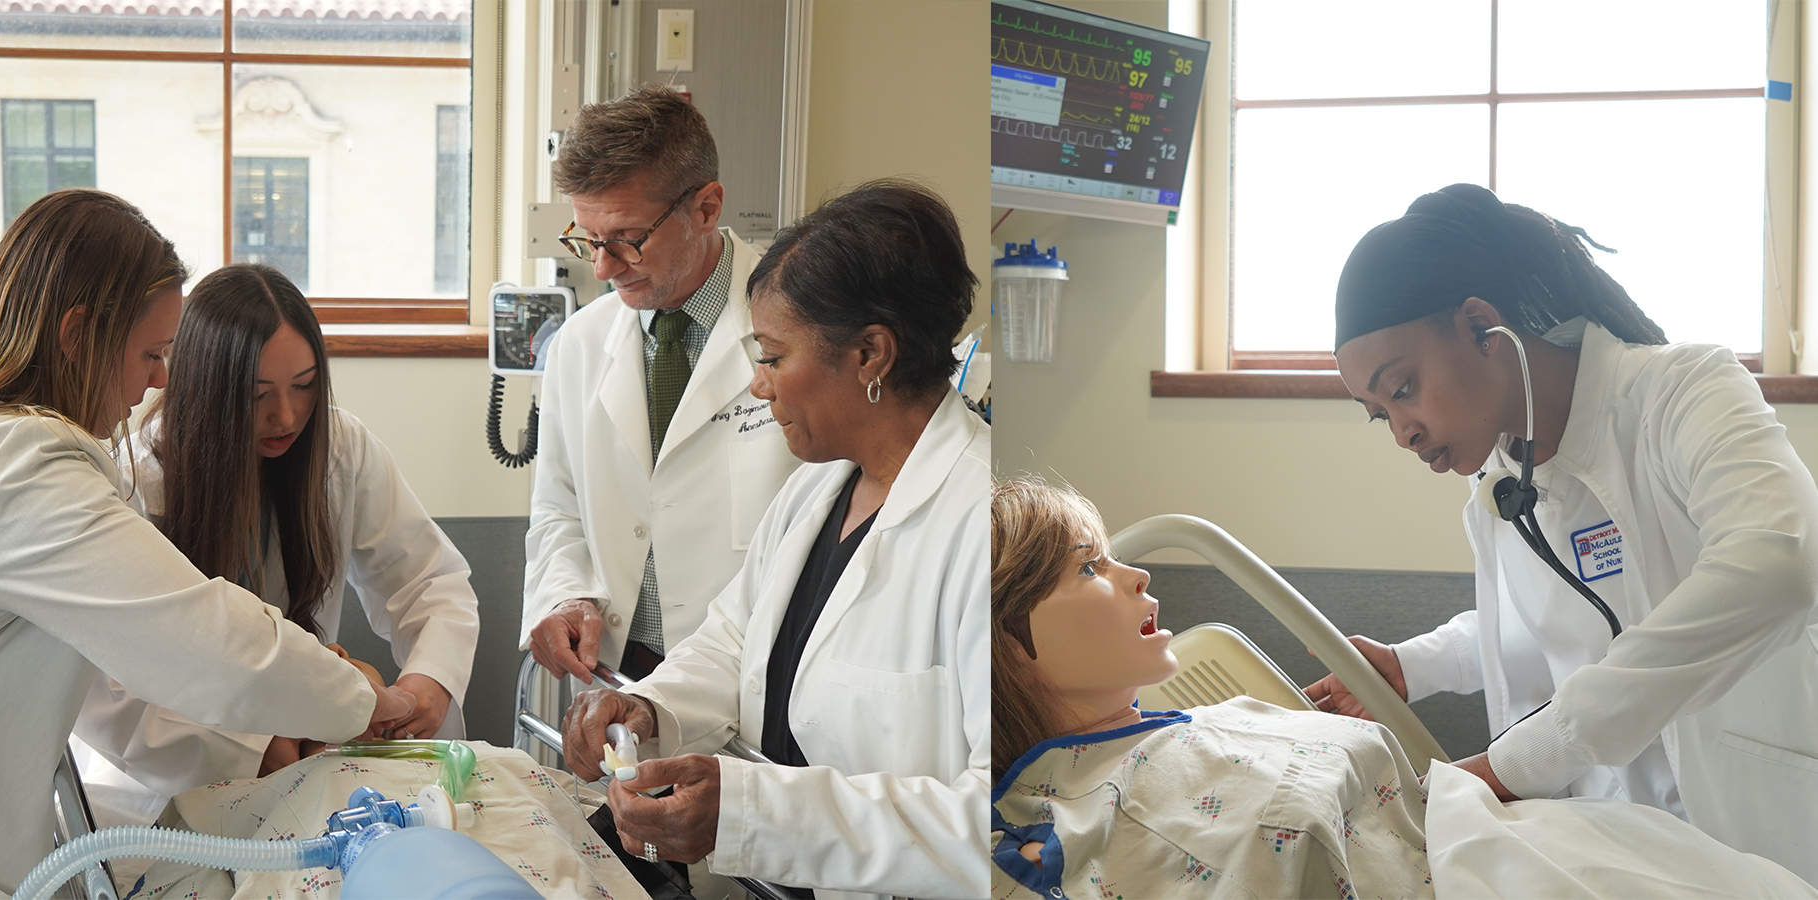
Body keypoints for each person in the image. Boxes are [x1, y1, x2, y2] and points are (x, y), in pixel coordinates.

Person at [1305, 183, 1818, 881]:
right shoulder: (1505, 478)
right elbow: (1557, 622)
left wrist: (1520, 762)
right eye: (1377, 414)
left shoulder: (1682, 391)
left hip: (1757, 831)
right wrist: (1412, 665)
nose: (1402, 432)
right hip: (1616, 841)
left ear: (1482, 328)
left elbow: (1776, 564)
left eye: (1402, 389)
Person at [988, 477, 1818, 900]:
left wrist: (1422, 683)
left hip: (1516, 839)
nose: (1133, 574)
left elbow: (1577, 625)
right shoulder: (1076, 826)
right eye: (1089, 567)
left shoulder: (1213, 718)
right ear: (1008, 641)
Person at [0, 189, 412, 898]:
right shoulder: (20, 465)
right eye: (150, 352)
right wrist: (367, 700)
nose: (157, 377)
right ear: (76, 332)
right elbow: (205, 639)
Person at [558, 181, 988, 900]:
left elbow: (996, 819)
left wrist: (755, 815)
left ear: (870, 354)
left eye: (774, 357)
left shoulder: (986, 529)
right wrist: (650, 710)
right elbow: (734, 640)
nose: (759, 387)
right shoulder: (818, 492)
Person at [75, 263, 481, 802]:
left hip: (312, 751)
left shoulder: (339, 449)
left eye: (305, 386)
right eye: (257, 394)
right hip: (167, 780)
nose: (286, 415)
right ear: (203, 390)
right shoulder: (135, 484)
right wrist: (252, 744)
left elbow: (427, 582)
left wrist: (429, 682)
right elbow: (109, 693)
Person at [523, 85, 800, 684]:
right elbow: (558, 506)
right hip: (624, 666)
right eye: (588, 239)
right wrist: (563, 594)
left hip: (759, 670)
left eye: (627, 238)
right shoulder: (580, 343)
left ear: (705, 208)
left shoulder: (801, 333)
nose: (602, 266)